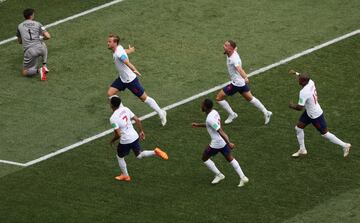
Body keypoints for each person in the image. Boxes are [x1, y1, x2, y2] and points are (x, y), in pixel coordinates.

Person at [107, 34, 167, 126]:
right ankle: (121, 111)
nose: (108, 43)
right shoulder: (119, 48)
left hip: (130, 80)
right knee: (110, 93)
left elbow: (126, 61)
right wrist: (130, 50)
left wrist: (134, 70)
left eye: (109, 42)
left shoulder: (119, 53)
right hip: (122, 79)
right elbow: (124, 52)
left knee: (144, 98)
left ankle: (161, 112)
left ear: (115, 43)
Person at [288, 70, 351, 157]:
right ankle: (302, 149)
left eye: (299, 79)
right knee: (298, 128)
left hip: (315, 115)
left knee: (325, 134)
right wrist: (296, 73)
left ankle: (345, 145)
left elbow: (300, 107)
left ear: (303, 81)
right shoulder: (311, 82)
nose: (298, 80)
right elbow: (304, 76)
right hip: (309, 112)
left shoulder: (303, 92)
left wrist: (292, 106)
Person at [109, 95, 169, 181]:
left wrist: (112, 140)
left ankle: (125, 175)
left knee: (120, 157)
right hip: (134, 136)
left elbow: (118, 134)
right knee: (139, 155)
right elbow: (137, 120)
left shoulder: (113, 118)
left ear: (112, 105)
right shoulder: (126, 109)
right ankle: (155, 152)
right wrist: (141, 131)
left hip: (125, 141)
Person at [192, 99, 249, 187]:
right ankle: (243, 177)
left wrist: (229, 143)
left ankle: (219, 175)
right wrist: (198, 125)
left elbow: (220, 131)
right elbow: (211, 125)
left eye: (202, 105)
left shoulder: (209, 119)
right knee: (230, 158)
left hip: (217, 143)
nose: (201, 106)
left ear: (206, 107)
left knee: (204, 158)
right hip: (222, 142)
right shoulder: (214, 112)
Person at [216, 40, 272, 124]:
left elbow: (239, 69)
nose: (223, 46)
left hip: (236, 83)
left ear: (230, 49)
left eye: (226, 45)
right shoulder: (232, 52)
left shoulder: (234, 59)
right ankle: (266, 112)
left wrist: (245, 77)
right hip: (241, 82)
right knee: (250, 98)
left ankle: (232, 114)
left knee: (219, 98)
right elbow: (236, 48)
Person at [16, 8, 50, 80]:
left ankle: (40, 70)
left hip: (30, 51)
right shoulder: (38, 23)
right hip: (41, 48)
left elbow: (19, 41)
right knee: (43, 44)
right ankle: (44, 65)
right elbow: (48, 36)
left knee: (24, 72)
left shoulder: (19, 26)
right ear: (32, 15)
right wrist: (40, 38)